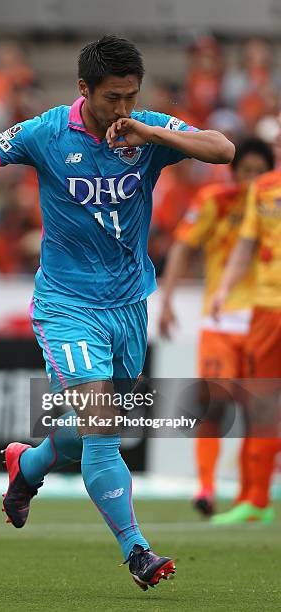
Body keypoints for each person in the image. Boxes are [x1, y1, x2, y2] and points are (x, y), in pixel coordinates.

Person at [0, 36, 234, 592]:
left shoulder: (148, 128)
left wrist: (152, 133)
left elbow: (223, 150)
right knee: (103, 432)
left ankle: (28, 466)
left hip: (129, 304)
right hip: (67, 305)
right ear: (84, 90)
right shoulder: (47, 132)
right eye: (113, 99)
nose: (124, 109)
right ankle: (138, 552)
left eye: (133, 96)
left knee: (95, 430)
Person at [158, 138, 275, 517]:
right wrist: (168, 298)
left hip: (261, 315)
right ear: (234, 171)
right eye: (247, 171)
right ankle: (206, 486)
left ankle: (249, 496)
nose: (252, 179)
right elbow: (182, 246)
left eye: (260, 172)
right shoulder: (214, 201)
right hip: (221, 320)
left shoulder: (270, 202)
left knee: (258, 411)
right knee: (215, 404)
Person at [210, 164, 281, 524]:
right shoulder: (264, 187)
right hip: (267, 308)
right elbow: (247, 243)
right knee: (262, 405)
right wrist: (225, 288)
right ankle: (257, 498)